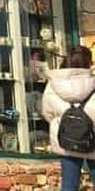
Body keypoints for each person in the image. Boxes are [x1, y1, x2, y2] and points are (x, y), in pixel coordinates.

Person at [43, 45, 95, 190]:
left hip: (67, 140)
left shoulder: (54, 84)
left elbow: (48, 113)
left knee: (69, 185)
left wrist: (64, 125)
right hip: (93, 139)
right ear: (89, 63)